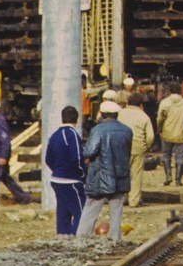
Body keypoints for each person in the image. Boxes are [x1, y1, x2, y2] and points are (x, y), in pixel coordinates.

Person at [76, 99, 132, 241]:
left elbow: (89, 151)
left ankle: (82, 237)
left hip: (99, 176)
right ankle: (115, 239)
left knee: (90, 209)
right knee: (116, 211)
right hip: (120, 176)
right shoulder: (127, 130)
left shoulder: (97, 130)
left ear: (102, 114)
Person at [0, 97, 33, 206]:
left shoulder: (0, 122)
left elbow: (5, 141)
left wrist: (4, 157)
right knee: (5, 178)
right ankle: (24, 198)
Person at [44, 105, 86, 235]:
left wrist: (57, 170)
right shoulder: (72, 135)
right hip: (70, 180)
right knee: (81, 213)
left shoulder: (54, 135)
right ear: (77, 119)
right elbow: (77, 158)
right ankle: (77, 238)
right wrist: (82, 174)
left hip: (56, 179)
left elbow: (48, 159)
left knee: (63, 213)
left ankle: (63, 237)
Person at [117, 90, 154, 208]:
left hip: (121, 147)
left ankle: (121, 199)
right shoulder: (144, 116)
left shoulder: (120, 114)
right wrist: (146, 146)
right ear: (141, 104)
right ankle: (134, 201)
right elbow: (150, 136)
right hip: (138, 148)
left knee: (122, 174)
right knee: (136, 175)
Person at [156, 81, 183, 186]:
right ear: (180, 91)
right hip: (179, 133)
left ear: (169, 91)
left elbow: (160, 118)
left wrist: (159, 129)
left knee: (166, 155)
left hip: (166, 133)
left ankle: (168, 177)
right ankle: (178, 180)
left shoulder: (164, 102)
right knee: (180, 157)